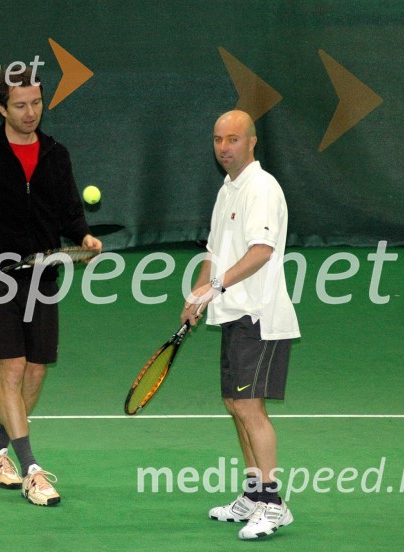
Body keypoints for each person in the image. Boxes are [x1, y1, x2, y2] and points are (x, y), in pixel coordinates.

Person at [0, 68, 102, 507]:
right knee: (10, 370)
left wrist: (83, 236)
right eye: (20, 105)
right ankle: (31, 470)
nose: (31, 113)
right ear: (1, 108)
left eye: (36, 103)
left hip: (43, 278)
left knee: (35, 370)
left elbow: (68, 210)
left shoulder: (55, 154)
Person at [180, 110, 300, 539]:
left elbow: (262, 250)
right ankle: (253, 494)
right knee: (236, 405)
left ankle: (273, 503)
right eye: (217, 140)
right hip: (233, 314)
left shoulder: (262, 189)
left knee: (251, 408)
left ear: (251, 142)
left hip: (260, 316)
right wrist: (197, 295)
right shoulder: (227, 189)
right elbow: (215, 251)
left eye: (233, 139)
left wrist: (213, 287)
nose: (224, 147)